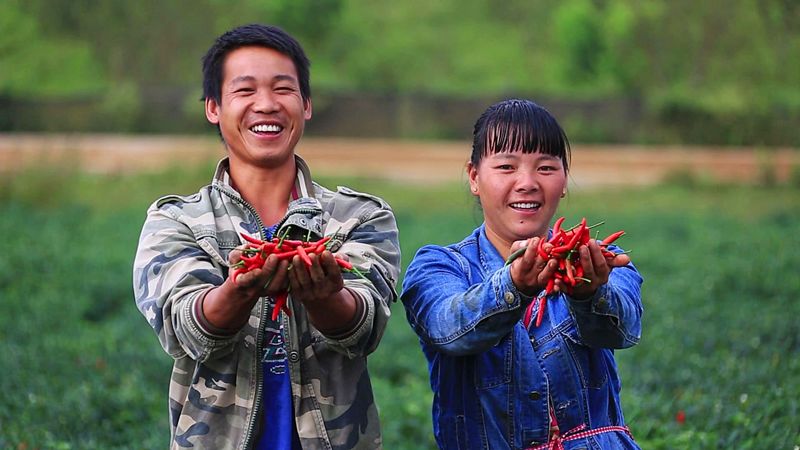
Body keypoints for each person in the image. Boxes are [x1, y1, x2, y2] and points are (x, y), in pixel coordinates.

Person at [133, 24, 401, 450]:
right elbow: (185, 330)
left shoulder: (358, 217)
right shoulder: (176, 221)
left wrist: (326, 297)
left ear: (306, 105)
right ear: (213, 108)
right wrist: (237, 291)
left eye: (283, 89)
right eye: (244, 90)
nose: (266, 104)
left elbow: (365, 328)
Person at [400, 99, 643, 449]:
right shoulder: (438, 266)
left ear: (564, 180)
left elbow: (622, 329)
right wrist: (514, 287)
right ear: (474, 177)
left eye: (545, 167)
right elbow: (448, 328)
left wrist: (589, 294)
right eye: (506, 166)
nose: (527, 183)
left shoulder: (601, 262)